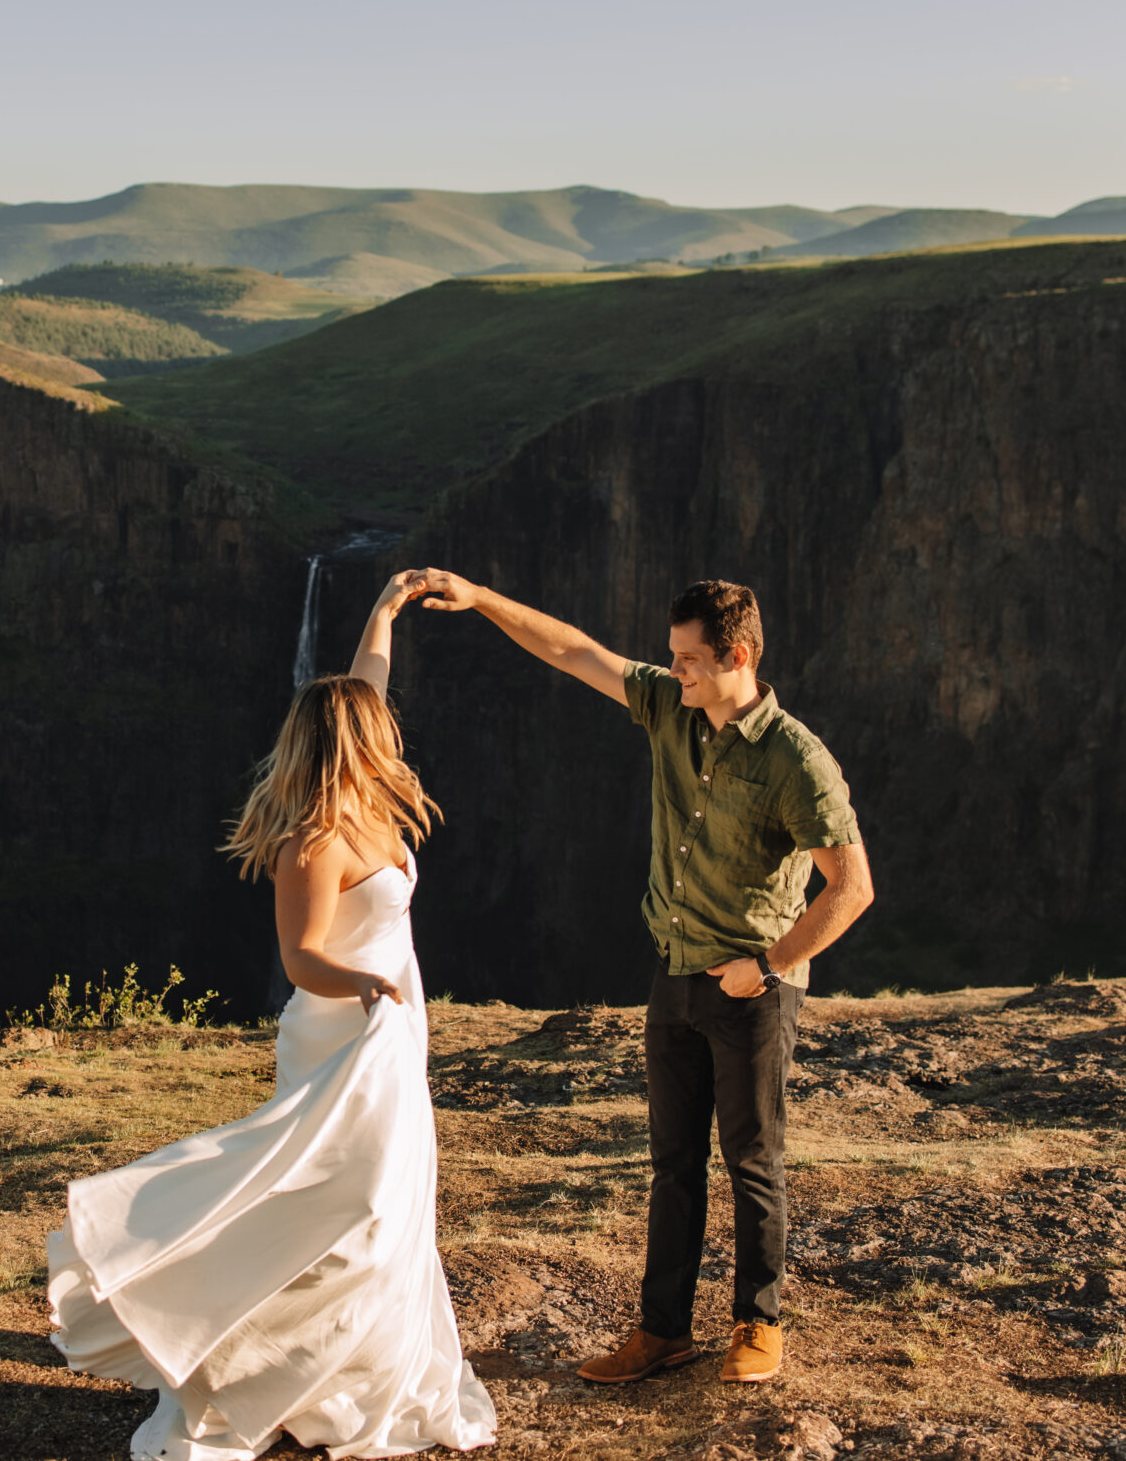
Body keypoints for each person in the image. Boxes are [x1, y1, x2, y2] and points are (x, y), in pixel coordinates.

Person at [46, 572, 498, 1461]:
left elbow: (364, 675)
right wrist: (366, 986)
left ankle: (357, 1363)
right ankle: (271, 1363)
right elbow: (300, 957)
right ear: (355, 744)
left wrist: (384, 609)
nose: (392, 727)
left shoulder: (367, 803)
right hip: (346, 1035)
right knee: (343, 1209)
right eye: (379, 725)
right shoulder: (313, 842)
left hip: (392, 1036)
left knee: (392, 1209)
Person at [408, 571, 874, 1388]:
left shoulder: (797, 759)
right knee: (672, 1163)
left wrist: (766, 965)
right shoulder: (669, 709)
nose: (676, 671)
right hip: (675, 974)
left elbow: (854, 886)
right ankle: (662, 1333)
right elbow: (574, 651)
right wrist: (481, 598)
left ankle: (758, 1325)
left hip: (755, 988)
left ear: (737, 656)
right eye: (673, 658)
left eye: (690, 660)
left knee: (753, 1159)